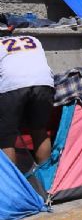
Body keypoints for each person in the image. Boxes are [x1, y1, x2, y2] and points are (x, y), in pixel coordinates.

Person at [0, 34, 54, 168]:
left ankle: (12, 184)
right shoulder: (33, 39)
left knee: (6, 139)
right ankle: (46, 179)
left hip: (12, 86)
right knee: (39, 131)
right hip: (44, 83)